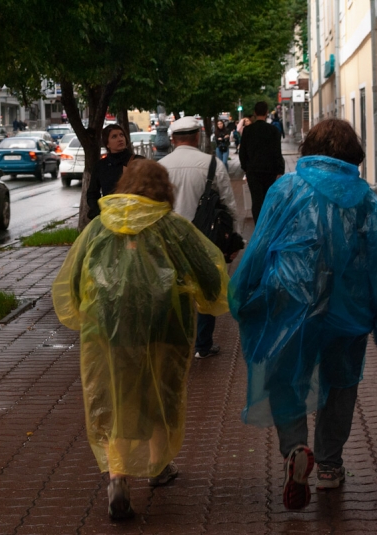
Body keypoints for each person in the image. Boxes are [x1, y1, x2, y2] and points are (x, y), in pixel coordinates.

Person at [228, 118, 377, 510]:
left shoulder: (285, 189)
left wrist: (241, 293)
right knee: (340, 384)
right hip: (349, 308)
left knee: (284, 377)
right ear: (351, 153)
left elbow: (260, 246)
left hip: (290, 303)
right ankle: (329, 466)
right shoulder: (365, 198)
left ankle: (295, 449)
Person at [52, 159, 229, 520]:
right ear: (164, 188)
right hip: (165, 327)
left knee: (119, 395)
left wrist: (85, 311)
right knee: (162, 393)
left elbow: (72, 280)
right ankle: (159, 465)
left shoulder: (99, 227)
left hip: (109, 328)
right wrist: (200, 295)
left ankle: (117, 475)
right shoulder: (174, 227)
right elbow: (210, 280)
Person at [159, 115, 238, 360]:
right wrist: (231, 240)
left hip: (170, 239)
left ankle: (178, 344)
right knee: (205, 289)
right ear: (197, 137)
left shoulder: (160, 166)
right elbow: (229, 206)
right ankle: (203, 345)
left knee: (176, 290)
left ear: (172, 140)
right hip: (206, 239)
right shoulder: (213, 164)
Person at [239, 101, 285, 223]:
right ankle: (269, 224)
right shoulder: (273, 130)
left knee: (256, 201)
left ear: (254, 113)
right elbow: (277, 152)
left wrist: (246, 168)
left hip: (253, 171)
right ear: (267, 112)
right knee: (268, 199)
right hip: (270, 171)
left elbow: (242, 152)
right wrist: (280, 170)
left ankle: (258, 226)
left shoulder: (248, 131)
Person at [86, 124, 142, 220]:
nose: (120, 139)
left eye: (121, 135)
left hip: (135, 216)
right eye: (114, 137)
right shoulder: (100, 166)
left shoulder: (138, 161)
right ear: (107, 143)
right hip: (111, 218)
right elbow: (92, 194)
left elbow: (151, 188)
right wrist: (101, 211)